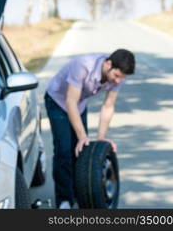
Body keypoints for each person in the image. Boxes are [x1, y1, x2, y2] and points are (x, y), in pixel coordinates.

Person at [44, 49, 135, 209]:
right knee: (64, 150)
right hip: (58, 101)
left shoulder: (118, 78)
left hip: (79, 104)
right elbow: (69, 101)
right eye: (117, 76)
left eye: (122, 77)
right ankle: (64, 199)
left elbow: (108, 106)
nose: (119, 81)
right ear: (108, 64)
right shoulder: (83, 65)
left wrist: (101, 137)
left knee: (81, 150)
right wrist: (82, 136)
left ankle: (80, 192)